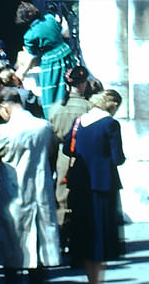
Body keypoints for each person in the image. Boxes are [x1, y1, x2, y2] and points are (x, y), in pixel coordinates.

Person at [0, 86, 61, 284]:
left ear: (3, 106)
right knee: (39, 245)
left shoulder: (3, 131)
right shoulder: (44, 126)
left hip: (12, 190)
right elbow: (52, 152)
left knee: (11, 246)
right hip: (41, 188)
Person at [63, 89, 125, 284]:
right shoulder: (110, 124)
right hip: (103, 185)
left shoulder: (79, 121)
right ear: (113, 106)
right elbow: (118, 158)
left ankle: (91, 280)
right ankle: (98, 282)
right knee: (101, 237)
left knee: (86, 234)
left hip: (81, 184)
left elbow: (67, 148)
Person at [47, 66, 99, 245]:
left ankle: (61, 239)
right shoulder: (89, 108)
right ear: (83, 84)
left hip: (63, 156)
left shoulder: (55, 108)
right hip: (84, 157)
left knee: (62, 199)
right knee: (83, 200)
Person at [15, 1, 76, 118]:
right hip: (66, 55)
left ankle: (54, 120)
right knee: (70, 88)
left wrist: (22, 73)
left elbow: (31, 57)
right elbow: (66, 33)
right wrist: (63, 18)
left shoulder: (29, 35)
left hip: (50, 63)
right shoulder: (50, 18)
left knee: (52, 94)